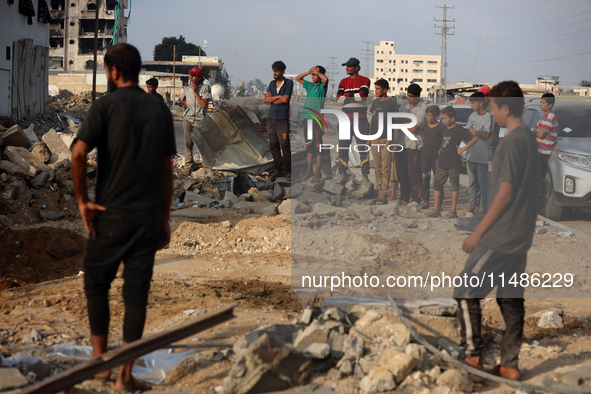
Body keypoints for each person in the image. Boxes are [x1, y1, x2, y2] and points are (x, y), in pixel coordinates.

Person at [71, 43, 175, 391]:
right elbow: (166, 173)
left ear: (114, 71)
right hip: (146, 218)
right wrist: (164, 220)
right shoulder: (159, 111)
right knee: (136, 294)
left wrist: (84, 201)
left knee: (96, 285)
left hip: (110, 216)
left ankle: (101, 365)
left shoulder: (104, 106)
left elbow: (78, 154)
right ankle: (125, 377)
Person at [453, 81, 539, 381]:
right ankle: (509, 365)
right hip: (521, 234)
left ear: (504, 109)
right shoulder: (528, 137)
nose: (490, 111)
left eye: (492, 106)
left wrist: (478, 233)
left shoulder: (512, 143)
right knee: (510, 299)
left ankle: (471, 357)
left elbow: (504, 193)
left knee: (465, 290)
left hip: (501, 235)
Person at [427, 106, 477, 218]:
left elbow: (474, 139)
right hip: (442, 162)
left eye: (445, 118)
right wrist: (440, 149)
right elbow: (443, 140)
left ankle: (453, 211)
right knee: (437, 184)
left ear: (452, 118)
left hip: (453, 162)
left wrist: (462, 149)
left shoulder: (459, 129)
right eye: (442, 118)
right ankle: (436, 209)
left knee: (454, 186)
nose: (443, 121)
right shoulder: (444, 129)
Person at [335, 57, 372, 187]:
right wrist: (354, 96)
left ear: (356, 67)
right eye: (346, 66)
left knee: (363, 149)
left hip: (360, 119)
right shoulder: (343, 81)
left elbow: (362, 96)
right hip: (345, 119)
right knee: (343, 148)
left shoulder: (365, 80)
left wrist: (347, 97)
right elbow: (338, 100)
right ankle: (342, 174)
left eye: (349, 66)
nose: (347, 68)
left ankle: (365, 176)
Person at [368, 78, 399, 204]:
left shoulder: (392, 103)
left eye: (378, 89)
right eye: (375, 88)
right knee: (377, 166)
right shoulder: (375, 102)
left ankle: (384, 193)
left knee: (385, 166)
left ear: (385, 90)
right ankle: (380, 190)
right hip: (375, 137)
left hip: (387, 138)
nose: (376, 91)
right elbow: (372, 122)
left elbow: (396, 121)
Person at [296, 65, 329, 183]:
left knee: (317, 146)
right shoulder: (309, 86)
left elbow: (326, 80)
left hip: (317, 120)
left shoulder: (322, 87)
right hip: (306, 118)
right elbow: (297, 78)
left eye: (315, 74)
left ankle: (318, 173)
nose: (313, 76)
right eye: (313, 75)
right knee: (309, 145)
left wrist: (318, 72)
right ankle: (309, 170)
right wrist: (308, 71)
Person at [264, 60, 293, 181]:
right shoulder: (272, 83)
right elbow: (265, 99)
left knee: (284, 145)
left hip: (282, 119)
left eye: (276, 71)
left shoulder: (289, 83)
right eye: (273, 71)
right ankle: (277, 168)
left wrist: (272, 98)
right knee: (273, 145)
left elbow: (285, 99)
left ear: (283, 72)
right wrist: (276, 98)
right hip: (271, 119)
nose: (274, 73)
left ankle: (288, 170)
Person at [179, 67, 212, 173]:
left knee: (202, 143)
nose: (191, 78)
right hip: (188, 118)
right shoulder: (187, 89)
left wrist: (195, 91)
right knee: (188, 143)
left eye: (193, 76)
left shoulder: (205, 88)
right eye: (190, 76)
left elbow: (203, 105)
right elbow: (180, 99)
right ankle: (189, 166)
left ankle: (206, 165)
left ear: (199, 77)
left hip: (200, 119)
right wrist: (185, 103)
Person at [465, 91, 492, 214]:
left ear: (480, 103)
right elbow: (467, 130)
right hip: (470, 154)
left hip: (481, 155)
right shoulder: (472, 115)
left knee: (483, 183)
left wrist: (474, 132)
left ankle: (483, 207)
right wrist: (474, 132)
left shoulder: (488, 117)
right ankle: (471, 206)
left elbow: (485, 135)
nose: (471, 105)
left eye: (473, 103)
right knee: (471, 183)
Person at [420, 105, 445, 210]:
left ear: (436, 116)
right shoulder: (425, 126)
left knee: (438, 180)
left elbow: (445, 140)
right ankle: (426, 201)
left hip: (436, 157)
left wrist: (441, 149)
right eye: (427, 115)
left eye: (430, 116)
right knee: (425, 178)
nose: (427, 117)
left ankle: (439, 203)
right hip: (425, 155)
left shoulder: (441, 127)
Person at [534, 93, 558, 178]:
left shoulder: (550, 117)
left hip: (545, 152)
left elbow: (540, 135)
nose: (541, 104)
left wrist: (538, 131)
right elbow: (535, 130)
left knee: (539, 176)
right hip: (540, 150)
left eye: (543, 103)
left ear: (550, 105)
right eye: (541, 102)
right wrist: (538, 131)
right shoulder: (543, 117)